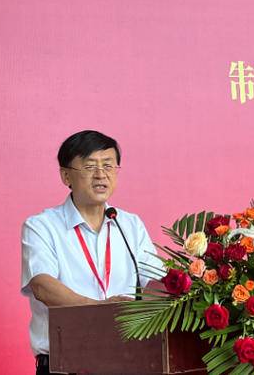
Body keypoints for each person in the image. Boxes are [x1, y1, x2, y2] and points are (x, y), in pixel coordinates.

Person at [21, 130, 158, 375]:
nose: (101, 174)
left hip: (129, 362)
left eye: (108, 165)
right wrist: (100, 310)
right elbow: (42, 286)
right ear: (66, 175)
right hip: (65, 365)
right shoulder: (42, 226)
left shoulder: (130, 225)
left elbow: (156, 283)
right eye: (90, 166)